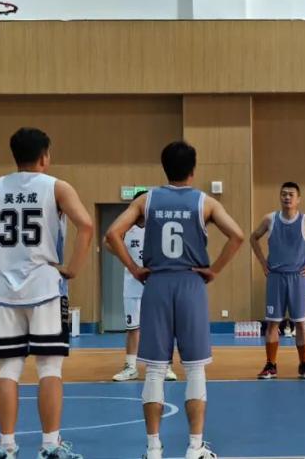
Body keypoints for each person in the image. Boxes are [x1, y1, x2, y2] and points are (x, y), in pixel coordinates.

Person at [0, 127, 93, 459]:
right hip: (44, 286)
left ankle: (7, 446)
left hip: (4, 290)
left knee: (8, 369)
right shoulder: (57, 187)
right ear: (45, 156)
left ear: (15, 156)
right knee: (50, 369)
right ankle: (50, 445)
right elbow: (86, 225)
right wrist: (72, 268)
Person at [105, 141, 244, 459]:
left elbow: (113, 234)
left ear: (164, 168)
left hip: (156, 284)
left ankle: (153, 448)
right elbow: (237, 236)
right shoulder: (205, 202)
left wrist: (135, 268)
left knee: (155, 370)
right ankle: (195, 447)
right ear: (193, 170)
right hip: (191, 284)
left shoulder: (146, 200)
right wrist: (213, 270)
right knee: (195, 370)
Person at [252, 182, 305, 380]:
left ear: (298, 199)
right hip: (276, 277)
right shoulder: (270, 219)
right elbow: (253, 238)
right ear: (280, 197)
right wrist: (262, 262)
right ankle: (271, 365)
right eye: (283, 194)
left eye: (291, 194)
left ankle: (304, 364)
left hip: (297, 278)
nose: (287, 197)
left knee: (300, 323)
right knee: (273, 323)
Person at [109, 190, 177, 382]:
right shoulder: (125, 228)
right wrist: (126, 258)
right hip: (132, 285)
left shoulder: (160, 226)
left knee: (162, 327)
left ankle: (166, 366)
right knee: (133, 328)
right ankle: (131, 367)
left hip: (157, 284)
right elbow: (108, 242)